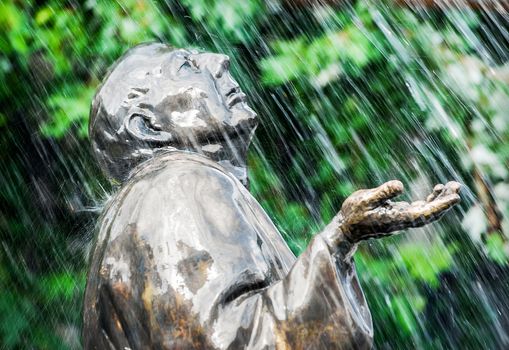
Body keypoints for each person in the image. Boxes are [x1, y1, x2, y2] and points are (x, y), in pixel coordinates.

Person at [83, 43, 461, 349]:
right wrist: (338, 240)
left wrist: (341, 243)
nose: (219, 60)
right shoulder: (180, 183)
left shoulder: (145, 200)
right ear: (147, 125)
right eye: (186, 67)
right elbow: (231, 342)